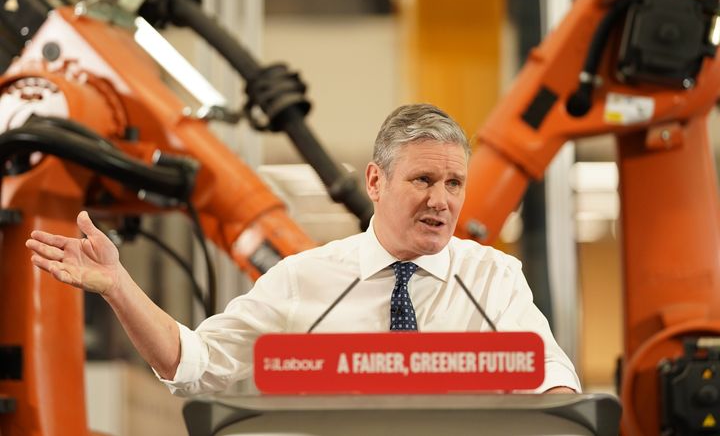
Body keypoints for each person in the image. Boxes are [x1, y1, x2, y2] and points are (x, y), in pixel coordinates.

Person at [26, 103, 580, 396]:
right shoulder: (300, 280)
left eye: (454, 184)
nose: (441, 200)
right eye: (423, 180)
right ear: (375, 181)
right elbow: (193, 363)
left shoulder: (493, 281)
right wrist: (120, 288)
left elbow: (554, 380)